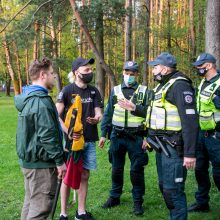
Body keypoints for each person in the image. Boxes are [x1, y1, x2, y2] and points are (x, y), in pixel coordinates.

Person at [119, 53, 199, 220]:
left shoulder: (179, 86)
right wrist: (134, 108)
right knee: (165, 187)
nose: (153, 70)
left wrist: (190, 153)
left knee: (173, 191)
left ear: (164, 68)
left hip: (175, 148)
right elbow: (154, 115)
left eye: (155, 67)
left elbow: (190, 121)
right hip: (161, 147)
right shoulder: (162, 86)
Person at [14, 57, 67, 220]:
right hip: (41, 165)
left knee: (30, 203)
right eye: (51, 73)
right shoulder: (40, 101)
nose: (54, 77)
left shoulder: (29, 96)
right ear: (43, 75)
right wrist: (59, 161)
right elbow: (47, 135)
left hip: (30, 162)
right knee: (40, 209)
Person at [99, 61, 149, 216]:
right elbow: (108, 114)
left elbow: (151, 114)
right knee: (116, 169)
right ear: (122, 72)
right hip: (117, 136)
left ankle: (137, 201)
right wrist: (103, 134)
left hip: (137, 137)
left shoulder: (145, 91)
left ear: (137, 74)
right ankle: (114, 197)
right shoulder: (115, 91)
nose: (129, 75)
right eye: (127, 72)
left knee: (136, 171)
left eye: (132, 73)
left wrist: (149, 138)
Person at [56, 57, 103, 220]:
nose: (90, 72)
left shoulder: (94, 91)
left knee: (84, 175)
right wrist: (69, 132)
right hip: (71, 142)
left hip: (89, 140)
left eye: (91, 69)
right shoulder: (67, 90)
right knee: (67, 176)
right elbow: (57, 114)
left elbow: (99, 111)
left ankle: (81, 212)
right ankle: (63, 213)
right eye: (87, 70)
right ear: (77, 72)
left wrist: (97, 118)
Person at [188, 53, 220, 212]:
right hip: (202, 134)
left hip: (217, 136)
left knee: (219, 171)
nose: (197, 68)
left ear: (209, 65)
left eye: (200, 66)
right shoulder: (203, 83)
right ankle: (202, 203)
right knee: (200, 169)